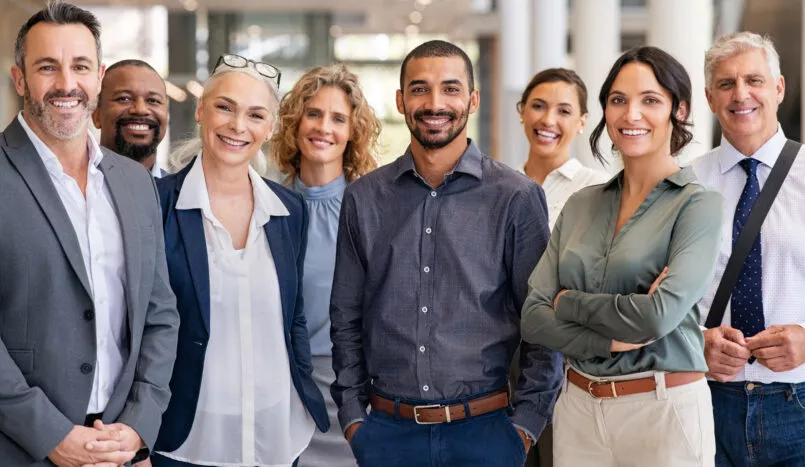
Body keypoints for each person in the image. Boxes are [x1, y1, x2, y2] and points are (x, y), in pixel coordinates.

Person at [329, 39, 562, 467]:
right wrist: (352, 419)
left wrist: (525, 427)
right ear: (400, 101)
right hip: (386, 436)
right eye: (419, 89)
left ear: (472, 99)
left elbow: (543, 324)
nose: (435, 103)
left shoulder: (516, 198)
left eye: (451, 89)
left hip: (487, 435)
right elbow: (346, 316)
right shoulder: (364, 198)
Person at [521, 46, 724, 467]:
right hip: (577, 408)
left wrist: (567, 302)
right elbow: (533, 316)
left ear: (678, 109)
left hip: (662, 409)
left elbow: (656, 318)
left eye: (650, 100)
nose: (631, 115)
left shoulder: (697, 205)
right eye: (618, 100)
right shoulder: (581, 204)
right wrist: (608, 336)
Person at [0, 2, 179, 465]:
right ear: (20, 79)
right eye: (47, 67)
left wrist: (138, 425)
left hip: (120, 448)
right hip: (19, 448)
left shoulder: (134, 182)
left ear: (98, 78)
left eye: (80, 66)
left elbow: (159, 313)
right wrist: (50, 434)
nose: (66, 84)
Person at [148, 54, 328, 467]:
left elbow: (293, 314)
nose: (237, 126)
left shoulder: (289, 210)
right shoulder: (156, 204)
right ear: (200, 110)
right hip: (186, 438)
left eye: (255, 114)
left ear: (270, 128)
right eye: (224, 107)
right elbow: (138, 327)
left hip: (275, 433)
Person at [692, 32, 805, 466]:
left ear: (778, 88)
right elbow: (657, 299)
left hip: (798, 403)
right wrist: (696, 341)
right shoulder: (684, 186)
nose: (741, 94)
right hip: (707, 403)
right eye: (726, 84)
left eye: (754, 80)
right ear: (709, 97)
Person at [271, 64, 380, 467]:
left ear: (353, 132)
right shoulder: (265, 206)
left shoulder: (371, 211)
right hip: (281, 393)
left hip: (354, 393)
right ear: (295, 122)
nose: (323, 128)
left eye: (338, 119)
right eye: (313, 113)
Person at [517, 68, 609, 229]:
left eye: (564, 111)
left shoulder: (599, 189)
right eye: (538, 106)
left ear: (581, 122)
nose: (548, 120)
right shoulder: (500, 186)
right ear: (522, 111)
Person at [92, 59, 168, 177]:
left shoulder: (183, 193)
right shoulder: (73, 189)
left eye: (153, 100)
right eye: (124, 99)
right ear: (96, 114)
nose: (140, 109)